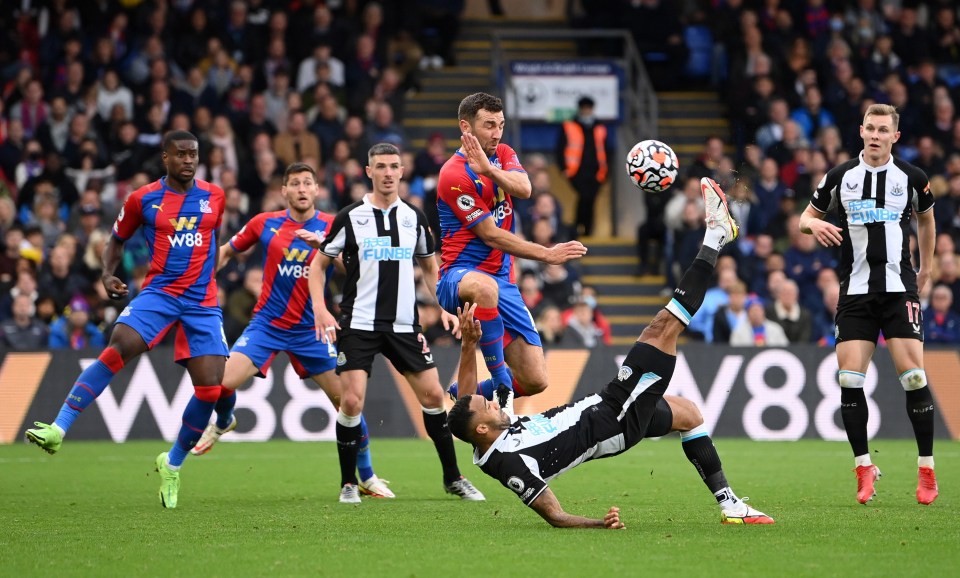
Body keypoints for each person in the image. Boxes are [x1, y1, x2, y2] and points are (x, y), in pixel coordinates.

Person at [447, 178, 773, 528]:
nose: (494, 401)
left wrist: (468, 345)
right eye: (489, 406)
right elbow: (554, 515)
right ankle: (715, 237)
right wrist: (597, 524)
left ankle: (730, 504)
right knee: (662, 328)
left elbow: (466, 399)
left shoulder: (486, 433)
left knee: (689, 414)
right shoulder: (509, 463)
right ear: (482, 428)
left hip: (607, 411)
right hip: (612, 417)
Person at [25, 130, 229, 510]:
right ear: (164, 158)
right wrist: (106, 274)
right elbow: (116, 239)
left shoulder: (214, 196)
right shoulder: (143, 198)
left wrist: (210, 279)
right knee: (119, 346)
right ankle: (58, 427)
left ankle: (172, 464)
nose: (188, 160)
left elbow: (214, 239)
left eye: (193, 154)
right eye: (180, 154)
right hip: (160, 294)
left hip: (202, 301)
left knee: (210, 390)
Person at [188, 162, 393, 499]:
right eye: (294, 183)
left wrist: (322, 248)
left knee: (347, 401)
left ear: (316, 190)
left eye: (307, 183)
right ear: (283, 191)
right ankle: (224, 419)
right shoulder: (263, 223)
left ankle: (367, 476)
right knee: (220, 383)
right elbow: (226, 251)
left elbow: (352, 268)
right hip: (267, 325)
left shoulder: (333, 225)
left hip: (312, 328)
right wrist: (200, 276)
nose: (301, 188)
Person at [307, 143, 484, 503]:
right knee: (352, 402)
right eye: (381, 166)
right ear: (368, 172)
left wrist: (447, 306)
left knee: (435, 396)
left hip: (404, 324)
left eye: (394, 166)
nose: (388, 173)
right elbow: (319, 264)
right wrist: (320, 310)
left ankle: (453, 477)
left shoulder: (414, 217)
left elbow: (430, 268)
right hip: (358, 323)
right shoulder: (350, 216)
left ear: (402, 172)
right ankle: (347, 483)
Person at [799, 103, 939, 505]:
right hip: (855, 291)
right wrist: (816, 223)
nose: (876, 135)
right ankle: (863, 466)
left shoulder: (912, 178)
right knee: (849, 379)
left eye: (884, 130)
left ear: (895, 137)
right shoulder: (840, 177)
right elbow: (803, 220)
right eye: (870, 128)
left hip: (898, 289)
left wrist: (926, 268)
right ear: (860, 131)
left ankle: (926, 469)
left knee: (913, 377)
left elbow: (927, 220)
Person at [436, 92, 587, 406]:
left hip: (503, 281)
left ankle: (467, 394)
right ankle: (501, 383)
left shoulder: (502, 153)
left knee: (536, 380)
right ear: (466, 126)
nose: (497, 133)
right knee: (485, 288)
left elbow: (526, 189)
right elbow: (491, 236)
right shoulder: (453, 175)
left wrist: (490, 171)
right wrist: (547, 254)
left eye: (500, 124)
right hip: (459, 277)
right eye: (489, 125)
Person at [556, 96, 610, 236]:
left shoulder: (600, 127)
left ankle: (585, 229)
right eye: (584, 108)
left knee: (590, 199)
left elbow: (607, 150)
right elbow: (560, 148)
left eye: (589, 108)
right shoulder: (569, 125)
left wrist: (606, 172)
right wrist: (564, 169)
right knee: (585, 197)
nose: (586, 111)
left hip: (596, 172)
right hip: (576, 172)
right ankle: (581, 228)